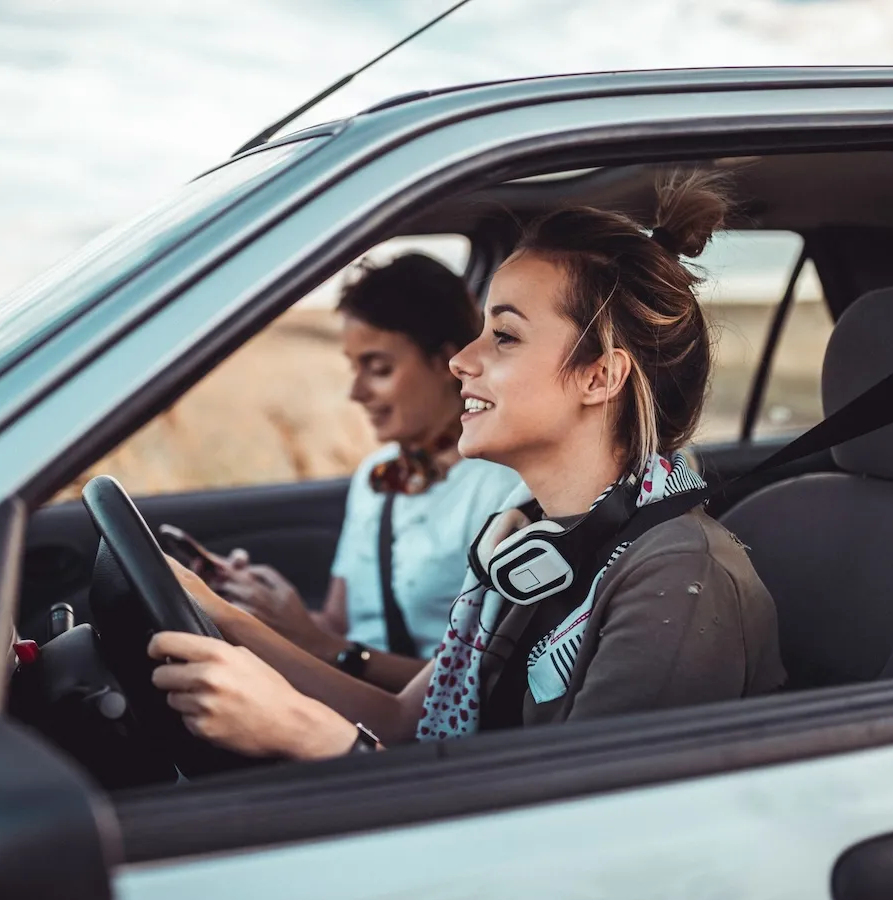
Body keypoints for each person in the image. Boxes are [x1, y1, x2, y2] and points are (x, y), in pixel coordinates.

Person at [148, 170, 787, 760]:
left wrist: (305, 733)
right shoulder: (533, 543)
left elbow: (568, 840)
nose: (462, 360)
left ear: (600, 376)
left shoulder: (677, 575)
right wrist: (221, 614)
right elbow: (402, 723)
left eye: (503, 336)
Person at [209, 253, 522, 692]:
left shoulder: (504, 488)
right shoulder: (376, 473)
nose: (356, 393)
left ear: (446, 361)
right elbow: (337, 622)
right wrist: (263, 608)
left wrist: (324, 647)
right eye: (353, 367)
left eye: (378, 369)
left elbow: (479, 682)